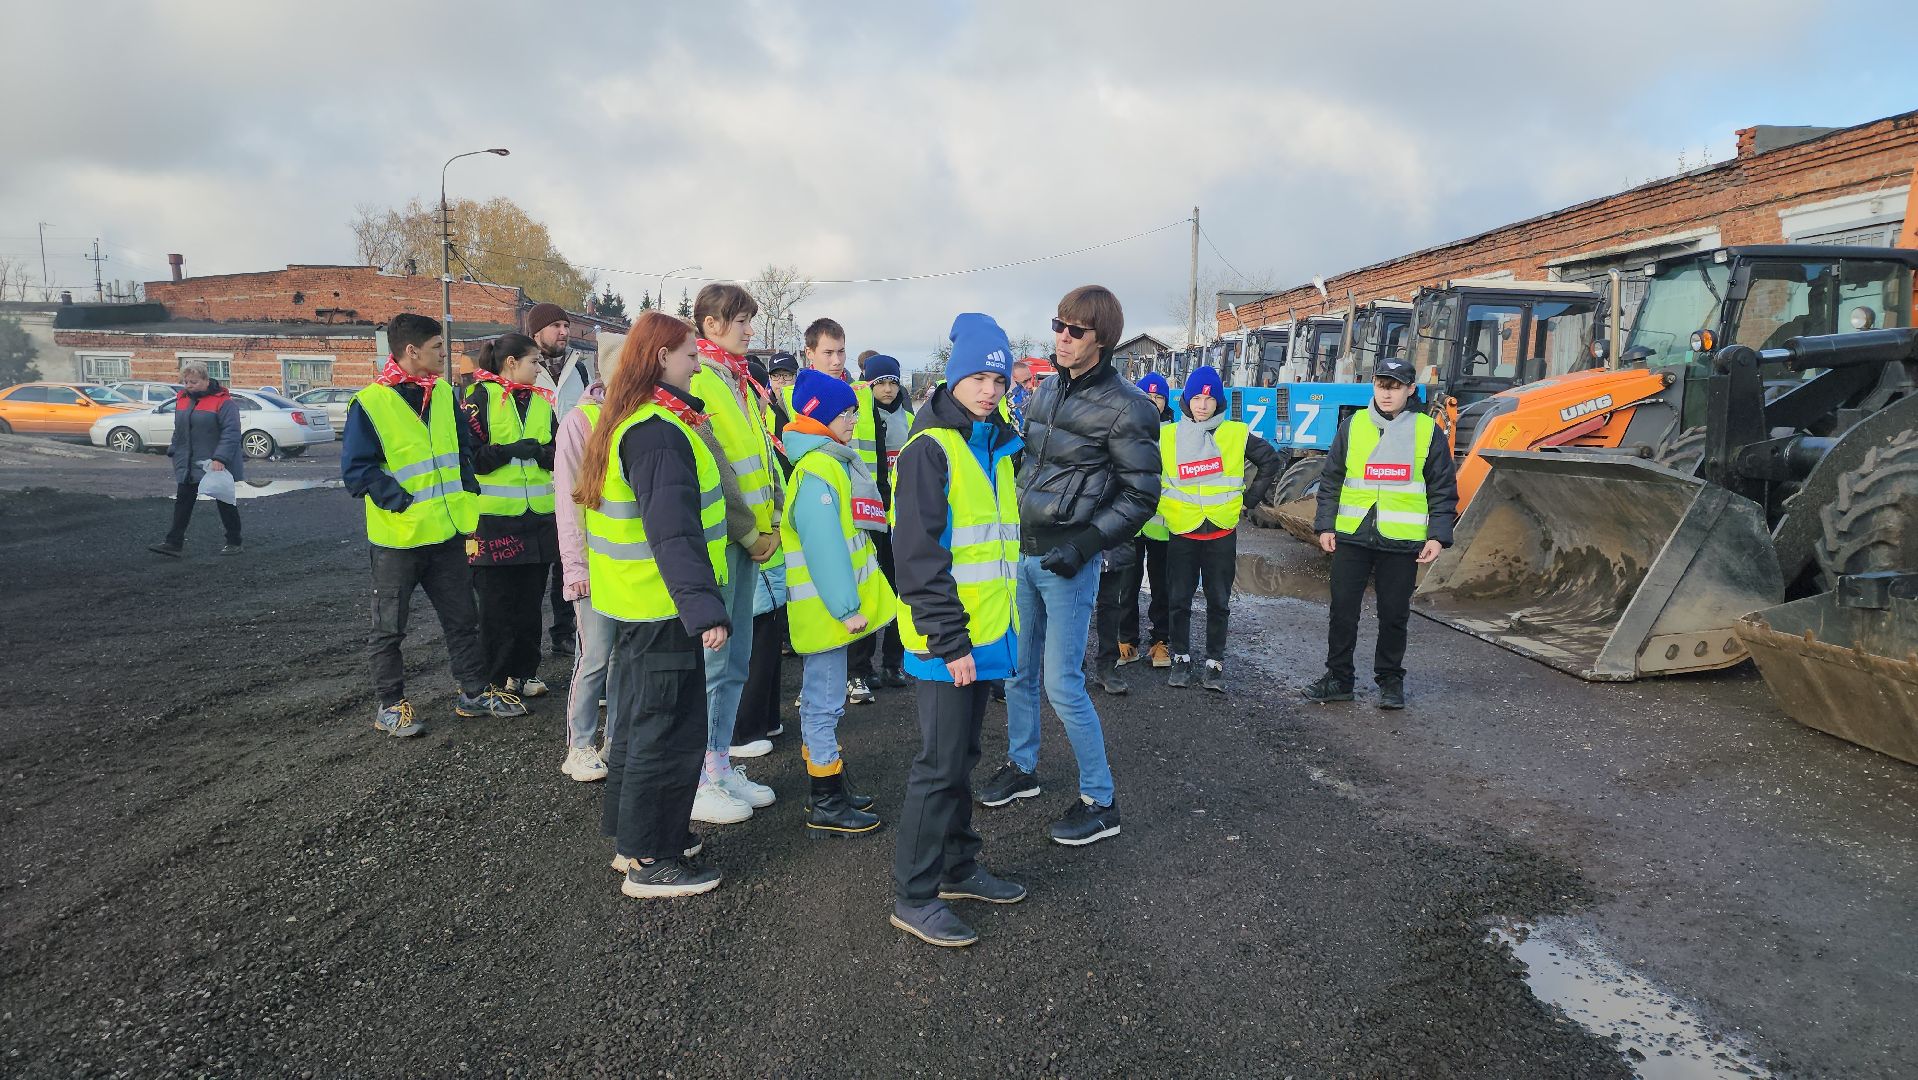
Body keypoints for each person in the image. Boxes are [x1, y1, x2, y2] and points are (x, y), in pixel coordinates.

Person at [978, 286, 1159, 848]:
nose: (1061, 335)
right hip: (1024, 552)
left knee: (1063, 682)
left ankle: (1101, 801)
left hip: (1069, 562)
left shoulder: (1129, 407)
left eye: (1074, 330)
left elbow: (1139, 496)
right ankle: (1023, 768)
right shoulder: (1046, 390)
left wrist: (1083, 545)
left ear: (1100, 339)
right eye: (1058, 324)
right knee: (1018, 672)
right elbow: (1030, 462)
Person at [575, 311, 731, 898]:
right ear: (661, 357)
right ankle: (649, 859)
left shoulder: (638, 421)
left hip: (640, 605)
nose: (699, 364)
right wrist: (704, 608)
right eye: (691, 355)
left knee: (642, 726)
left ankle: (635, 837)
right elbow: (673, 531)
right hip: (664, 608)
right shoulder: (659, 431)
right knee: (666, 733)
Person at [890, 313, 1027, 947]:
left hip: (983, 637)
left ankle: (958, 866)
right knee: (938, 766)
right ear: (954, 376)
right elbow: (918, 555)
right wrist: (951, 641)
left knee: (961, 758)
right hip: (947, 642)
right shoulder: (931, 449)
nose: (989, 389)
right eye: (977, 376)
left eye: (998, 379)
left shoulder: (994, 444)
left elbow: (993, 550)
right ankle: (913, 896)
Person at [341, 313, 526, 737]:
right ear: (412, 351)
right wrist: (400, 501)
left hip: (445, 534)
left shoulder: (443, 392)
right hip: (398, 539)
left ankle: (474, 693)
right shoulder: (369, 403)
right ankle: (390, 706)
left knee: (463, 619)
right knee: (389, 628)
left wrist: (468, 489)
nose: (446, 354)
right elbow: (357, 472)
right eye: (439, 347)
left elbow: (462, 450)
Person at [1302, 356, 1458, 709]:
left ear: (1410, 390)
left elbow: (1442, 487)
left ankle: (1390, 681)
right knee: (1342, 611)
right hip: (1352, 535)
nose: (1386, 394)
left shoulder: (1425, 430)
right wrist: (1325, 524)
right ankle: (1339, 679)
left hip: (1401, 541)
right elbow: (1332, 480)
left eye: (1394, 387)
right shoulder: (1352, 425)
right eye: (1381, 385)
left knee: (1394, 614)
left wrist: (1437, 535)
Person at [779, 369, 897, 834]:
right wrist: (848, 609)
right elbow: (826, 548)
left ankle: (830, 785)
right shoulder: (819, 470)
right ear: (821, 417)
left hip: (826, 613)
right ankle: (825, 798)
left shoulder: (824, 464)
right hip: (828, 614)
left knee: (823, 701)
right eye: (846, 413)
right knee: (823, 702)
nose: (853, 421)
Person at [687, 283, 782, 823]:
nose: (750, 329)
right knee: (715, 661)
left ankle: (720, 762)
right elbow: (717, 466)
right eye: (741, 319)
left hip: (748, 540)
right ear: (712, 324)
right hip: (724, 542)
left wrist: (769, 523)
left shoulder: (739, 380)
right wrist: (752, 531)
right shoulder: (700, 378)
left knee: (737, 658)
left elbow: (758, 464)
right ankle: (700, 774)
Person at [1159, 365, 1285, 692]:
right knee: (1179, 600)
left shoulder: (1235, 433)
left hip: (1220, 534)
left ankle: (1215, 662)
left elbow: (1271, 461)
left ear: (1218, 402)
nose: (1203, 404)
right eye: (1197, 397)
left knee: (1219, 601)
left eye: (1210, 398)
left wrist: (1252, 498)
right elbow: (1145, 473)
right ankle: (1181, 659)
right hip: (1182, 532)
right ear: (1186, 399)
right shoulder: (1167, 435)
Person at [464, 333, 560, 703]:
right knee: (495, 607)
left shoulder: (539, 402)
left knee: (529, 602)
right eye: (535, 362)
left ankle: (524, 672)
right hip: (493, 521)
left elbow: (557, 450)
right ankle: (494, 678)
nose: (540, 368)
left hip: (537, 519)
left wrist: (542, 454)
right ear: (511, 363)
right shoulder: (479, 399)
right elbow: (470, 457)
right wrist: (506, 452)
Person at [552, 332, 624, 782]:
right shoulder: (581, 422)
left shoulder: (636, 417)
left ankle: (616, 740)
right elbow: (570, 501)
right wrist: (576, 568)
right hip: (594, 566)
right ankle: (579, 746)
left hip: (628, 564)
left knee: (622, 660)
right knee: (596, 654)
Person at [802, 317, 882, 705]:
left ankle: (857, 673)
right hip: (823, 502)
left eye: (841, 352)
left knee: (861, 585)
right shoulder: (795, 398)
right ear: (810, 354)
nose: (836, 361)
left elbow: (876, 451)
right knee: (823, 590)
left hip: (860, 506)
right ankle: (818, 682)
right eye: (828, 353)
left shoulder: (860, 396)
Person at [1089, 371, 1176, 690]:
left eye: (1158, 397)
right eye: (1147, 396)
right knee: (1126, 585)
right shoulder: (1122, 429)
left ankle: (1161, 639)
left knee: (1162, 585)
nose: (1152, 403)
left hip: (1163, 524)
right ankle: (1127, 640)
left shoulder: (1174, 434)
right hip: (1128, 525)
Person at [729, 355, 788, 758]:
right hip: (755, 555)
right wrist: (758, 537)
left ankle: (765, 718)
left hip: (771, 554)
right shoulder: (744, 432)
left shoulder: (763, 433)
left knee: (767, 646)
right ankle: (743, 730)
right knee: (751, 648)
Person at [526, 303, 592, 661]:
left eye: (566, 325)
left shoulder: (577, 368)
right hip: (537, 481)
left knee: (570, 562)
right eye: (555, 326)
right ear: (536, 333)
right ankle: (531, 644)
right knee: (541, 566)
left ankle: (564, 633)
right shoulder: (524, 368)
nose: (563, 332)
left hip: (574, 476)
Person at [847, 353, 911, 692]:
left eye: (892, 381)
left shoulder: (911, 418)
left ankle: (892, 662)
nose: (887, 389)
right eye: (879, 382)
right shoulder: (856, 418)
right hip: (868, 517)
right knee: (868, 588)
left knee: (900, 589)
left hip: (900, 518)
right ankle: (859, 666)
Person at [148, 359, 243, 557]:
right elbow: (180, 429)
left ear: (206, 380)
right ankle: (173, 542)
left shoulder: (224, 402)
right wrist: (173, 449)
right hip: (188, 461)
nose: (189, 386)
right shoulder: (182, 400)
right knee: (183, 500)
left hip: (214, 462)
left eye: (194, 382)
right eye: (186, 382)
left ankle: (234, 541)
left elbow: (231, 432)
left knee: (224, 500)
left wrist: (221, 458)